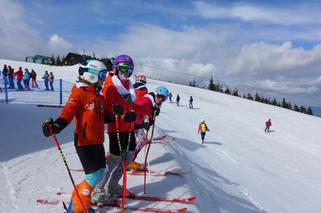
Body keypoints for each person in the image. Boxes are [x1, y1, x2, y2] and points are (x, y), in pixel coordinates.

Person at [42, 59, 109, 212]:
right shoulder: (79, 92)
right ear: (92, 75)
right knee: (93, 176)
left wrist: (122, 116)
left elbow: (105, 118)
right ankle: (78, 208)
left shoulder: (99, 97)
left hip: (97, 140)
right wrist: (56, 125)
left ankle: (78, 198)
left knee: (99, 173)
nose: (104, 79)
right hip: (84, 141)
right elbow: (68, 112)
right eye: (102, 75)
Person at [91, 54, 151, 205]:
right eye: (123, 68)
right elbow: (105, 108)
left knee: (129, 157)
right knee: (114, 159)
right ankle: (98, 190)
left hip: (129, 128)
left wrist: (149, 111)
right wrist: (123, 114)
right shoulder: (111, 85)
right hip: (117, 128)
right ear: (116, 68)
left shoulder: (129, 85)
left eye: (129, 69)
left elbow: (134, 106)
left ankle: (113, 185)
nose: (126, 72)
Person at [129, 86, 169, 169]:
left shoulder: (157, 103)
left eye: (163, 98)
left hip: (138, 123)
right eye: (159, 96)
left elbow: (152, 114)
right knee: (128, 143)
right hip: (131, 123)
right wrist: (142, 124)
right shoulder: (147, 99)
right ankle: (115, 157)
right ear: (156, 94)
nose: (161, 99)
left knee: (143, 140)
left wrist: (151, 121)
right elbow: (134, 109)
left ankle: (130, 160)